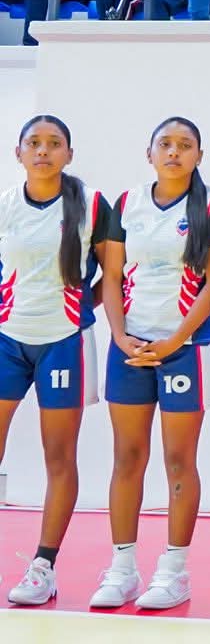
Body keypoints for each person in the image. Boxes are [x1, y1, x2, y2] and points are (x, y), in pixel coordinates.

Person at [94, 117, 210, 611]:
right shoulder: (126, 204)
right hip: (130, 348)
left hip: (187, 348)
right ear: (149, 152)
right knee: (127, 457)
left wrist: (175, 338)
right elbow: (112, 277)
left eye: (185, 145)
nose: (174, 152)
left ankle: (174, 572)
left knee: (179, 460)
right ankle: (122, 569)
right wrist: (119, 336)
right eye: (166, 144)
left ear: (199, 155)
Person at [0, 116, 111, 605]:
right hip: (7, 339)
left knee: (59, 456)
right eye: (34, 143)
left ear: (69, 153)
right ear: (18, 152)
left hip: (64, 341)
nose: (43, 151)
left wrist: (81, 307)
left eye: (54, 143)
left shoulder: (91, 205)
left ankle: (43, 566)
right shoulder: (6, 205)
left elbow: (112, 273)